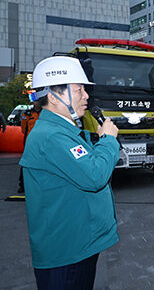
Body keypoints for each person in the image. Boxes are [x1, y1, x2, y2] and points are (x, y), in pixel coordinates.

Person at [19, 56, 120, 290]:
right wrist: (108, 140)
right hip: (65, 253)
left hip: (77, 244)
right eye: (79, 89)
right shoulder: (52, 135)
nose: (86, 95)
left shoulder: (63, 130)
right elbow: (95, 176)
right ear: (54, 96)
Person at [18, 100, 42, 193]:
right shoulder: (27, 114)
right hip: (30, 142)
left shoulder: (45, 113)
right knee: (26, 163)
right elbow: (23, 129)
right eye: (35, 101)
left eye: (38, 101)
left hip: (42, 141)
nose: (37, 103)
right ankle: (22, 185)